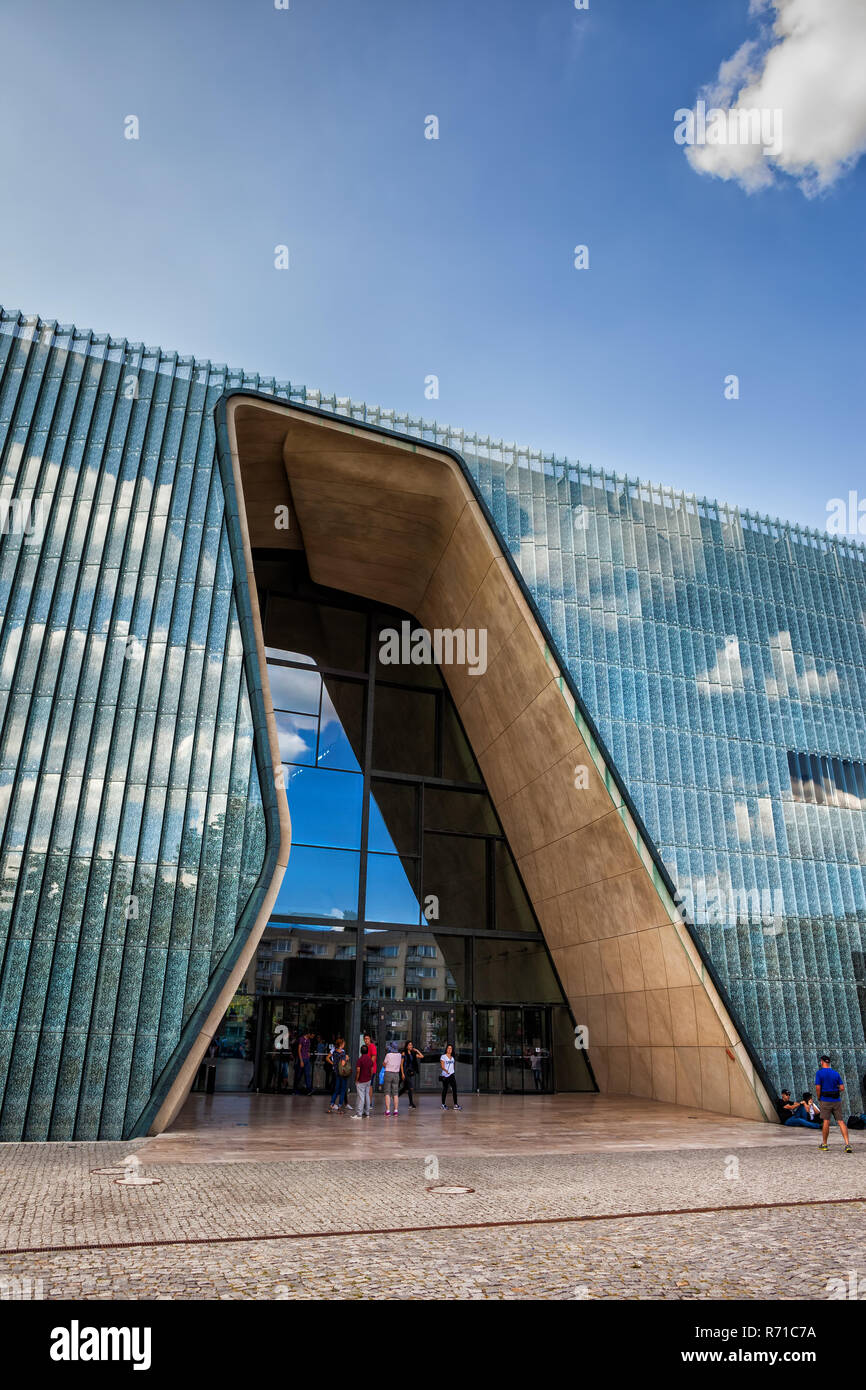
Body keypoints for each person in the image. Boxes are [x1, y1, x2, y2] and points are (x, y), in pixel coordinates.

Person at [815, 1054, 853, 1152]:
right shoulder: (835, 1073)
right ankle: (847, 1144)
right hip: (836, 1100)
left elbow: (818, 1087)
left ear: (822, 1062)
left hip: (825, 1100)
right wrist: (834, 1090)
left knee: (826, 1121)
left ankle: (824, 1144)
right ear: (829, 1062)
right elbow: (842, 1088)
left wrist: (819, 1097)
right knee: (840, 1121)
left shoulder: (819, 1073)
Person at [328, 1036, 351, 1112]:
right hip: (342, 1073)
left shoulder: (334, 1052)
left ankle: (332, 1104)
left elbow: (334, 1061)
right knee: (343, 1090)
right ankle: (340, 1105)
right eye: (343, 1043)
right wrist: (347, 1059)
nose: (344, 1044)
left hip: (336, 1073)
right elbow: (343, 1063)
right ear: (341, 1044)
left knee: (336, 1089)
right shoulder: (343, 1053)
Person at [399, 1039, 424, 1109]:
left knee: (406, 1088)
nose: (411, 1046)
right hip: (405, 1071)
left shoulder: (413, 1053)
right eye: (409, 1045)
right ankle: (411, 1103)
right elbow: (401, 1064)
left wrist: (417, 1050)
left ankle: (397, 1096)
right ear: (406, 1046)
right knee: (411, 1087)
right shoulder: (404, 1053)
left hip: (410, 1072)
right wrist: (402, 1074)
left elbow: (422, 1056)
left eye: (411, 1045)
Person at [353, 1043, 375, 1119]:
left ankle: (359, 1114)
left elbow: (358, 1071)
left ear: (360, 1051)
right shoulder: (370, 1059)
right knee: (367, 1096)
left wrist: (356, 1080)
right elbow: (372, 1070)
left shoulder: (360, 1060)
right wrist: (370, 1077)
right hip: (368, 1080)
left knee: (361, 1097)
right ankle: (367, 1112)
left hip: (361, 1081)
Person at [382, 1041, 403, 1115]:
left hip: (388, 1073)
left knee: (387, 1092)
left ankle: (387, 1111)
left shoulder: (388, 1055)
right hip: (396, 1074)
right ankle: (396, 1110)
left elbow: (384, 1064)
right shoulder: (400, 1055)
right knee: (395, 1093)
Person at [440, 1043, 461, 1110]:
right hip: (445, 1076)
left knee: (454, 1089)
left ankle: (455, 1105)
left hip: (451, 1075)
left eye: (451, 1048)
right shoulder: (443, 1056)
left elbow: (452, 1067)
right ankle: (443, 1105)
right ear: (446, 1049)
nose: (449, 1049)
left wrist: (452, 1072)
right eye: (448, 1048)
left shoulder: (452, 1058)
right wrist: (446, 1071)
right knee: (445, 1090)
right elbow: (442, 1066)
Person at [364, 1033, 378, 1112]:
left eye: (367, 1039)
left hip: (371, 1069)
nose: (366, 1040)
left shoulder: (372, 1046)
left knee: (370, 1086)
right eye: (365, 1039)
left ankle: (369, 1104)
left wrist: (369, 1066)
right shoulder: (365, 1047)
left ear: (370, 1039)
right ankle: (367, 1103)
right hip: (366, 1069)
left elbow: (373, 1057)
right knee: (366, 1086)